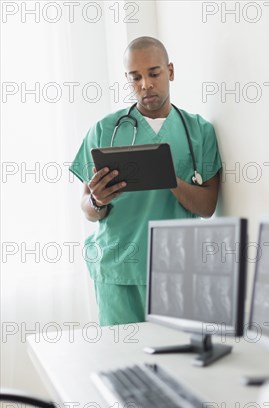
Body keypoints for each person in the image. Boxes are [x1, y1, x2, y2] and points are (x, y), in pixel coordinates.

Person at [70, 36, 222, 326]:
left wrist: (165, 175)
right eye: (135, 77)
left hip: (178, 271)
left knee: (177, 361)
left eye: (154, 73)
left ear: (171, 71)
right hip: (118, 271)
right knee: (124, 360)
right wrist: (96, 200)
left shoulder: (199, 131)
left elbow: (208, 206)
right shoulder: (105, 130)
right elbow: (87, 210)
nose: (145, 84)